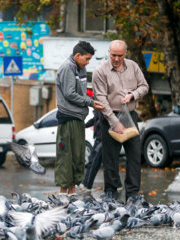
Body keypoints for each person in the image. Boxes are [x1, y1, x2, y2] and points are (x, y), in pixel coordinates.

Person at [92, 40, 149, 201]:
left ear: (126, 53)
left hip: (130, 116)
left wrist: (133, 95)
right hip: (109, 116)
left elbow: (144, 86)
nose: (116, 59)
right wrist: (114, 122)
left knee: (135, 154)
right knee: (110, 156)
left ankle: (132, 192)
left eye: (120, 55)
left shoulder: (133, 66)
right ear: (108, 52)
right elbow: (101, 99)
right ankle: (111, 190)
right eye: (113, 55)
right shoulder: (100, 71)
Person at [55, 41, 105, 195]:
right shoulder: (67, 68)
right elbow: (70, 93)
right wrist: (91, 103)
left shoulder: (79, 68)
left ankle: (72, 192)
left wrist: (91, 100)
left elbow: (81, 93)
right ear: (77, 55)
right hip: (68, 119)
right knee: (66, 157)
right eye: (87, 59)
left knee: (78, 156)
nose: (88, 62)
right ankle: (64, 195)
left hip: (78, 119)